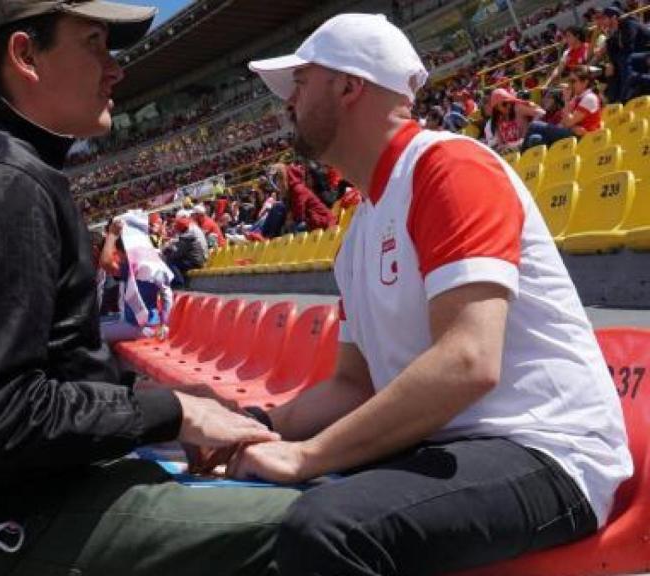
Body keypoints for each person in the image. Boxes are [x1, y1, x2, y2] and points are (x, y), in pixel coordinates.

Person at [0, 1, 298, 575]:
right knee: (331, 521)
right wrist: (170, 414)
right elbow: (1, 416)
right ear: (25, 55)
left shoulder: (0, 168)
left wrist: (191, 409)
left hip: (31, 503)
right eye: (94, 43)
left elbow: (62, 365)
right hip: (12, 525)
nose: (115, 67)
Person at [242, 13, 631, 575]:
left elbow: (468, 361)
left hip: (547, 451)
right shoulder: (358, 231)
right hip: (452, 445)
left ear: (349, 86)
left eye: (301, 83)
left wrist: (307, 455)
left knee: (328, 529)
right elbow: (353, 385)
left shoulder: (448, 166)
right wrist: (258, 425)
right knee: (255, 509)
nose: (289, 103)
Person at [99, 212, 174, 343]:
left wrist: (112, 235)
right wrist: (164, 323)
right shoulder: (152, 262)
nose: (119, 258)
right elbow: (167, 294)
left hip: (136, 326)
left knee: (87, 332)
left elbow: (105, 262)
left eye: (119, 253)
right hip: (148, 324)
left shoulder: (132, 266)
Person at [524, 67, 603, 150]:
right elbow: (564, 122)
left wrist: (566, 100)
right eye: (569, 81)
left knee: (534, 125)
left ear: (585, 82)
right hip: (573, 133)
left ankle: (521, 158)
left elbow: (568, 122)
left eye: (573, 81)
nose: (570, 84)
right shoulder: (577, 98)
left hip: (583, 138)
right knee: (534, 139)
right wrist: (571, 126)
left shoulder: (589, 98)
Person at [598, 6, 650, 101]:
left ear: (613, 18)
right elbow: (613, 56)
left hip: (646, 54)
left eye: (604, 18)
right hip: (634, 59)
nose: (602, 22)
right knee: (611, 69)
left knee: (623, 60)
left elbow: (629, 48)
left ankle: (627, 94)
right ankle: (617, 101)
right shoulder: (616, 32)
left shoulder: (629, 23)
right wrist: (609, 38)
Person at [484, 88, 545, 153]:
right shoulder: (497, 121)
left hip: (525, 144)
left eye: (508, 102)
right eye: (504, 104)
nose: (508, 106)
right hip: (511, 152)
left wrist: (531, 126)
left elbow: (540, 112)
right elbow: (500, 143)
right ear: (496, 108)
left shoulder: (518, 108)